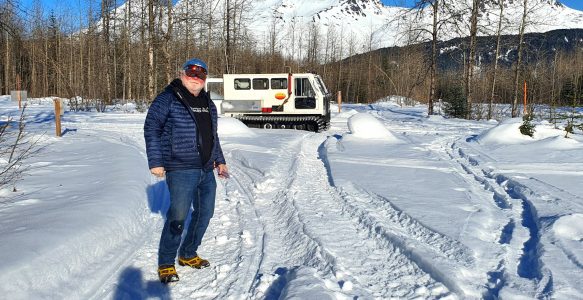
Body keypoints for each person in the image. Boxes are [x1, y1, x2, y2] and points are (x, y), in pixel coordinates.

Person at [144, 58, 229, 283]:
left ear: (204, 79)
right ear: (182, 74)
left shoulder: (207, 102)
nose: (195, 78)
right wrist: (156, 160)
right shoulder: (168, 98)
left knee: (205, 213)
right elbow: (151, 128)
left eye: (200, 75)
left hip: (205, 168)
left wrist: (219, 159)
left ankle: (188, 253)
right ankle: (165, 263)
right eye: (191, 73)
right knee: (178, 217)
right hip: (180, 167)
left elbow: (212, 135)